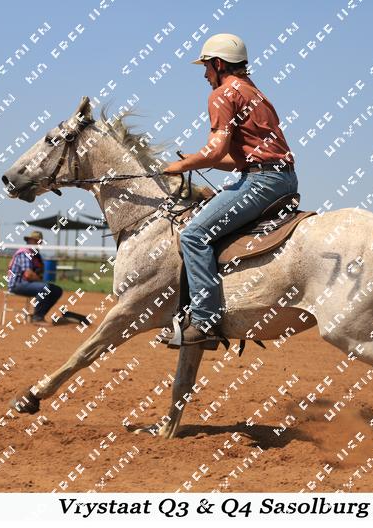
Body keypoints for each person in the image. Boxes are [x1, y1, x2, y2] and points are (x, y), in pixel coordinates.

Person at [162, 33, 297, 347]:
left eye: (206, 67)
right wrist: (195, 161)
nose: (205, 75)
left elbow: (214, 150)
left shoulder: (223, 94)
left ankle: (204, 322)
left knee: (194, 235)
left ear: (219, 64)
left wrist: (180, 165)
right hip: (283, 179)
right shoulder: (255, 93)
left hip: (262, 181)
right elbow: (240, 158)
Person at [6, 230, 63, 326]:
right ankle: (37, 318)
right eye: (35, 241)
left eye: (39, 241)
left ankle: (38, 315)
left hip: (28, 283)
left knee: (57, 290)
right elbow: (28, 275)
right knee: (45, 288)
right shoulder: (25, 253)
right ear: (29, 241)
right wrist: (42, 282)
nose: (38, 243)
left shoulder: (36, 255)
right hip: (17, 284)